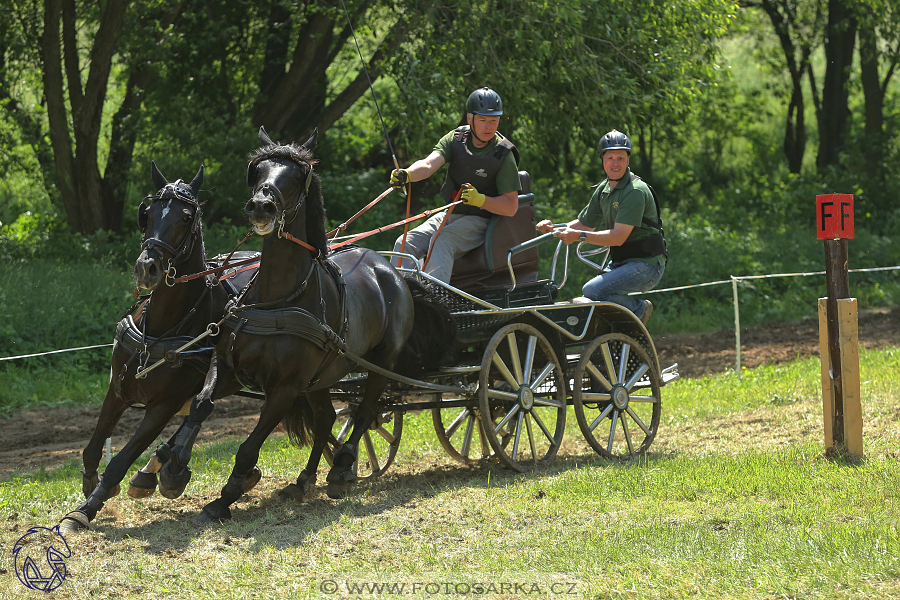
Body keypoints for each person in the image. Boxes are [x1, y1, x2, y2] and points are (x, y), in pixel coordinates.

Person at [389, 87, 521, 283]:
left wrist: (480, 200)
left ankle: (433, 303)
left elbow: (511, 206)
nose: (489, 126)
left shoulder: (503, 154)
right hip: (450, 214)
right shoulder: (456, 139)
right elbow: (428, 164)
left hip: (482, 221)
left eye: (493, 120)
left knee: (443, 240)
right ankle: (398, 301)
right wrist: (407, 174)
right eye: (483, 120)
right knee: (405, 242)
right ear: (470, 119)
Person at [536, 129, 666, 324]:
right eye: (610, 158)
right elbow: (584, 224)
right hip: (622, 262)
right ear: (602, 160)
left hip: (647, 265)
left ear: (628, 160)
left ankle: (638, 308)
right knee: (592, 296)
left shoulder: (635, 191)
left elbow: (617, 237)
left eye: (620, 158)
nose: (615, 163)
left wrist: (578, 236)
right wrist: (553, 229)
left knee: (593, 290)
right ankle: (616, 330)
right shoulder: (604, 189)